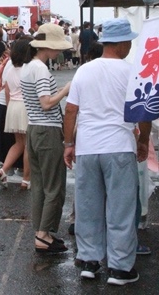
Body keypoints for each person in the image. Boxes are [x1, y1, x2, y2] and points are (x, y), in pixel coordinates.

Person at [63, 18, 151, 285]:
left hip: (88, 147)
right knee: (121, 209)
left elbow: (71, 110)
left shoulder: (84, 71)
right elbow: (142, 111)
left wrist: (69, 144)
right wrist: (143, 141)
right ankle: (120, 268)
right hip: (119, 146)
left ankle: (89, 261)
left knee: (88, 206)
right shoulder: (131, 72)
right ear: (123, 43)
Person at [20, 23, 71, 253]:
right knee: (55, 185)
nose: (59, 51)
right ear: (48, 46)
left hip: (33, 129)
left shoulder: (28, 67)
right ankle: (43, 234)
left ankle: (43, 231)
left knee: (40, 184)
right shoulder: (40, 69)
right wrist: (65, 90)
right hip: (47, 130)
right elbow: (46, 102)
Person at [0, 39, 31, 190]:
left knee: (18, 143)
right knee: (29, 145)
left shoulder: (9, 70)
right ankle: (26, 180)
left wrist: (10, 109)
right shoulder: (29, 70)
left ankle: (2, 170)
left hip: (13, 107)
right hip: (26, 107)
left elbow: (7, 93)